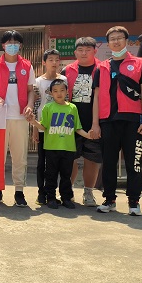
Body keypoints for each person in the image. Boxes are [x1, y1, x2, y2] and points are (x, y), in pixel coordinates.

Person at [92, 26, 142, 216]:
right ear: (108, 43)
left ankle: (134, 202)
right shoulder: (101, 67)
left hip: (133, 121)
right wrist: (95, 124)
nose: (116, 41)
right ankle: (109, 199)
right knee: (108, 163)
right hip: (108, 121)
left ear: (126, 40)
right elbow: (96, 97)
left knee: (134, 163)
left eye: (119, 38)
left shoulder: (139, 64)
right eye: (112, 39)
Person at [0, 30, 35, 208]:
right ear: (3, 45)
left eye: (15, 42)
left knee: (19, 156)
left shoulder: (27, 66)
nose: (12, 45)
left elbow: (31, 90)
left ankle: (19, 191)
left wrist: (30, 105)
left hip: (20, 117)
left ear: (20, 45)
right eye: (9, 42)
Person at [29, 79, 91, 209]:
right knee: (51, 174)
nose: (59, 93)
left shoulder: (72, 108)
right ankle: (51, 198)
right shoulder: (48, 107)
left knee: (66, 175)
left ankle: (66, 198)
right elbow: (44, 127)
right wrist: (34, 122)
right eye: (55, 91)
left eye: (62, 90)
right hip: (51, 147)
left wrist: (88, 135)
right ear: (51, 93)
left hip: (68, 148)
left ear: (67, 92)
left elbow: (77, 128)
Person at [60, 37, 102, 207]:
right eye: (80, 50)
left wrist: (97, 123)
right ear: (75, 52)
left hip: (94, 122)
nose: (84, 53)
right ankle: (67, 191)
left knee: (92, 158)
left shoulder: (103, 69)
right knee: (70, 158)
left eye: (88, 50)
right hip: (70, 123)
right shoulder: (67, 70)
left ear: (95, 51)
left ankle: (88, 192)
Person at [32, 49, 67, 205]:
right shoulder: (38, 82)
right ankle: (41, 193)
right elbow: (35, 105)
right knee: (42, 162)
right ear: (44, 62)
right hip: (42, 127)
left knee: (57, 163)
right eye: (50, 59)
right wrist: (35, 129)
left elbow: (67, 102)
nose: (54, 62)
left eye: (56, 59)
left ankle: (55, 193)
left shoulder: (64, 80)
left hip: (59, 128)